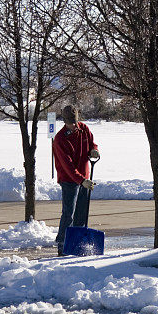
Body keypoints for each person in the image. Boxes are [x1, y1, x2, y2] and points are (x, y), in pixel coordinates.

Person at [52, 105, 100, 256]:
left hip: (84, 177)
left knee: (81, 212)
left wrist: (94, 149)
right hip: (68, 180)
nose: (73, 125)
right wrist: (81, 180)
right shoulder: (60, 139)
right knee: (69, 214)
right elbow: (68, 167)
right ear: (65, 121)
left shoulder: (84, 129)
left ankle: (78, 243)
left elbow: (92, 143)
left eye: (75, 121)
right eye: (70, 122)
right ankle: (62, 244)